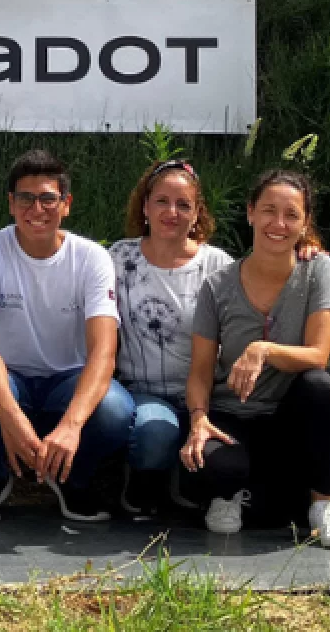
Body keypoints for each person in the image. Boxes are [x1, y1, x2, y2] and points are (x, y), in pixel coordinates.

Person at [0, 149, 135, 525]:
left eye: (48, 198)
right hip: (8, 379)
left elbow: (103, 352)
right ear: (10, 203)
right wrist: (11, 417)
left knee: (116, 410)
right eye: (25, 198)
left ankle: (71, 476)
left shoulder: (91, 258)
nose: (37, 209)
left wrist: (71, 426)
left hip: (67, 381)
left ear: (66, 204)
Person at [179, 170, 330, 548]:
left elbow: (319, 355)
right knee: (219, 466)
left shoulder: (318, 270)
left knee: (323, 388)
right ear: (250, 213)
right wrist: (198, 419)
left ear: (305, 222)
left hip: (289, 416)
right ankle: (228, 496)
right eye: (269, 211)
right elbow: (201, 369)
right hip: (231, 414)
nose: (279, 223)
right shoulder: (217, 285)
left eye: (291, 215)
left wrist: (263, 349)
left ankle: (324, 505)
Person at [108, 159, 233, 517]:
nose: (171, 212)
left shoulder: (219, 266)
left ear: (197, 214)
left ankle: (185, 479)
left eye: (183, 204)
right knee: (155, 432)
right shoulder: (118, 258)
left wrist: (307, 250)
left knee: (223, 460)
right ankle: (142, 481)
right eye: (162, 201)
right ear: (145, 207)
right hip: (142, 390)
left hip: (209, 395)